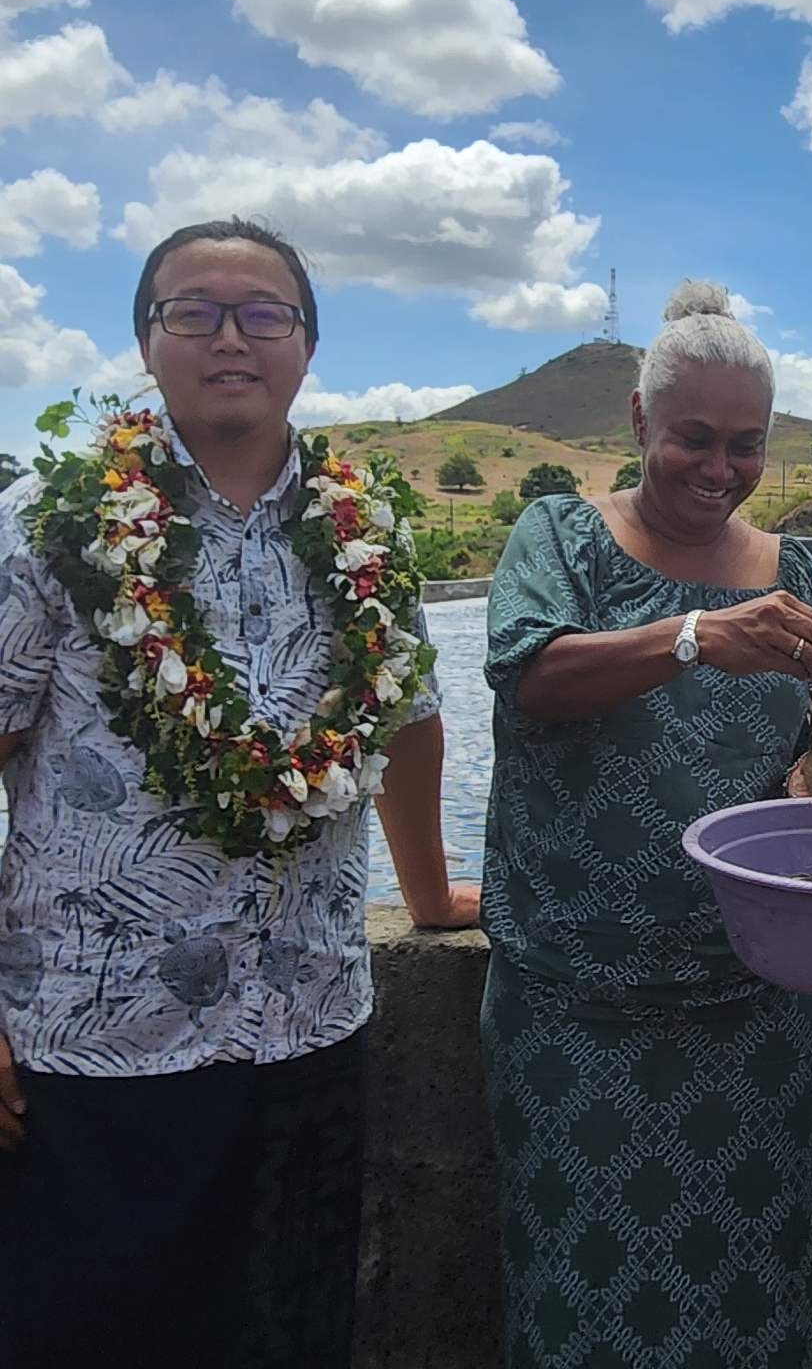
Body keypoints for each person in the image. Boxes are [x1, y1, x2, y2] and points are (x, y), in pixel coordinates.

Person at [0, 217, 479, 1369]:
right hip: (97, 1042)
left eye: (264, 313)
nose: (230, 336)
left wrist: (424, 898)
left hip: (310, 1025)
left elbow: (409, 727)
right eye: (193, 310)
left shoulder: (368, 533)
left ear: (305, 346)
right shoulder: (47, 530)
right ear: (145, 341)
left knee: (289, 1337)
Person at [481, 281, 812, 1369]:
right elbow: (530, 674)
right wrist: (691, 633)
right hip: (576, 1017)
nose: (720, 467)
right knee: (582, 1312)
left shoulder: (793, 574)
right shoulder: (559, 536)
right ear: (640, 422)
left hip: (761, 1020)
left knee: (764, 1309)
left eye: (747, 444)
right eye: (693, 436)